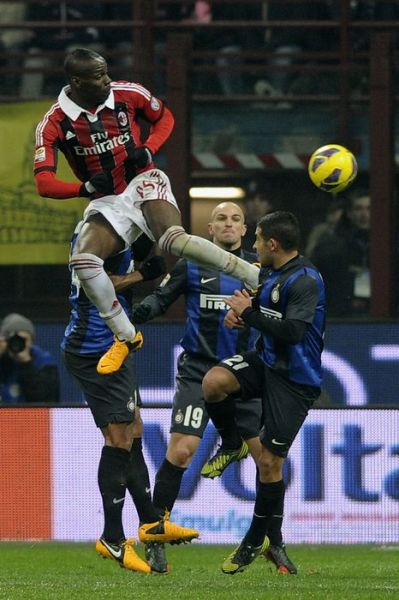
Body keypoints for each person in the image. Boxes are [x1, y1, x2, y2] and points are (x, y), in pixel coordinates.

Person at [33, 47, 259, 377]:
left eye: (106, 71)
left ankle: (254, 276)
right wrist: (83, 189)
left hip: (143, 181)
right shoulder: (53, 123)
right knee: (83, 261)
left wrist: (149, 148)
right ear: (77, 81)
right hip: (108, 201)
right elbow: (44, 183)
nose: (107, 79)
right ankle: (126, 336)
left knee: (172, 241)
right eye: (98, 76)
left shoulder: (128, 93)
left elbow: (164, 117)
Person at [131, 202, 297, 574]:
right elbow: (162, 296)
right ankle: (155, 537)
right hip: (198, 371)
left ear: (244, 230)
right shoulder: (193, 265)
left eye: (236, 219)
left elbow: (284, 312)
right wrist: (141, 312)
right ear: (210, 229)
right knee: (182, 451)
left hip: (243, 375)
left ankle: (276, 543)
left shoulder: (259, 269)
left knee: (268, 462)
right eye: (221, 218)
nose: (228, 224)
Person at [62, 222, 199, 574]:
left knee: (133, 428)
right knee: (119, 437)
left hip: (112, 344)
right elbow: (95, 286)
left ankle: (151, 521)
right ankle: (112, 536)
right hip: (96, 345)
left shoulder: (112, 230)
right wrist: (141, 275)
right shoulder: (99, 231)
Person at [201, 211, 325, 574]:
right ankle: (231, 442)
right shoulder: (270, 272)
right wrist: (241, 313)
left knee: (270, 463)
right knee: (214, 383)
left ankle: (257, 540)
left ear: (273, 244)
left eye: (256, 238)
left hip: (295, 379)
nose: (253, 245)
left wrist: (250, 313)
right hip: (266, 362)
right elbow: (262, 308)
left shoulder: (306, 280)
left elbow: (293, 332)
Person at [310, 192, 370, 317]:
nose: (364, 214)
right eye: (358, 209)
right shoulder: (332, 245)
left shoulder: (387, 245)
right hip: (341, 316)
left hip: (379, 316)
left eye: (369, 208)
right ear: (349, 213)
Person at [0, 312, 59, 404]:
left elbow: (46, 400)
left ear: (32, 341)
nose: (18, 344)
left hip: (33, 416)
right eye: (13, 340)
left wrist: (26, 363)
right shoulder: (3, 358)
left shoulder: (44, 362)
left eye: (23, 340)